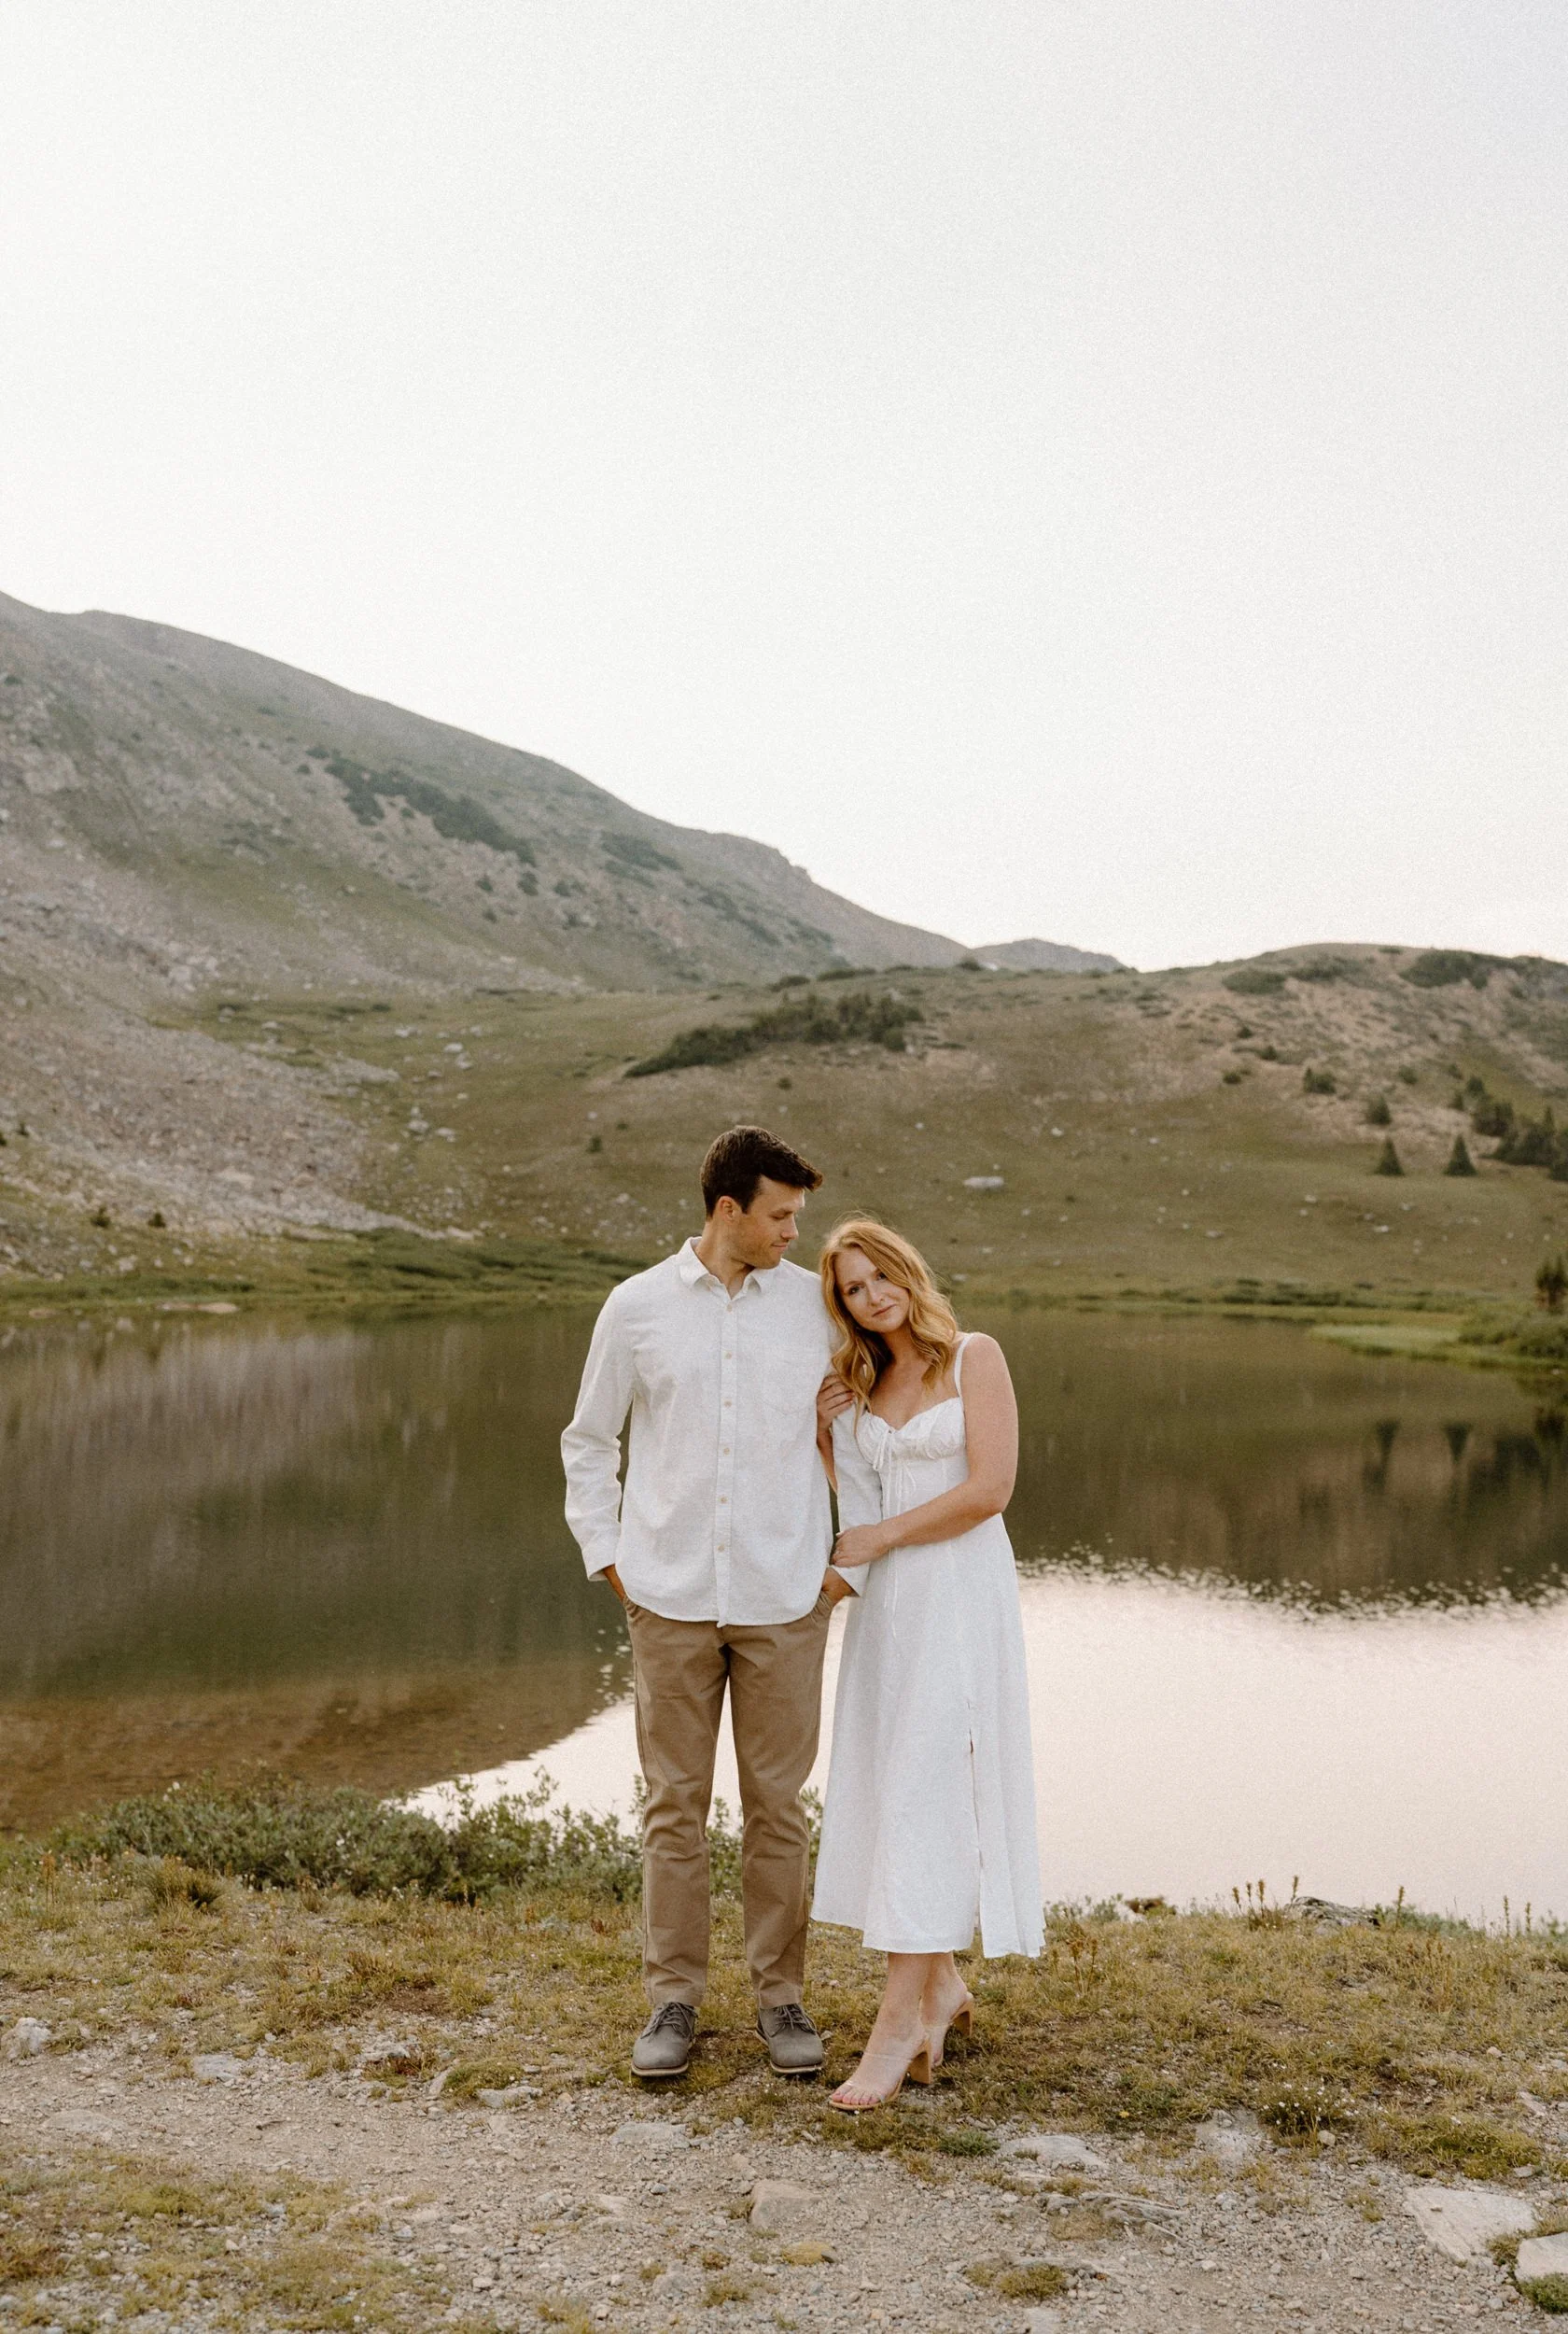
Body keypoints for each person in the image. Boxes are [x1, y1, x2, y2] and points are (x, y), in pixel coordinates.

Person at [561, 1124, 855, 2081]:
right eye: (778, 1214)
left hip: (783, 1597)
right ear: (727, 1209)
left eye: (796, 1216)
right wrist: (613, 1557)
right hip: (670, 1599)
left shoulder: (816, 1308)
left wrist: (844, 1562)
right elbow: (589, 1440)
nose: (790, 1232)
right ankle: (673, 2002)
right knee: (673, 1807)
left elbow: (862, 1436)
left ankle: (782, 1999)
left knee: (778, 1808)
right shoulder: (636, 1307)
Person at [811, 1216, 1043, 2111]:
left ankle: (899, 2019)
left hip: (958, 1600)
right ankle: (941, 1985)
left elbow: (990, 1491)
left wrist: (884, 1534)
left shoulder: (974, 1356)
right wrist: (832, 1443)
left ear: (908, 1271)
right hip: (889, 1616)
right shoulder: (864, 1382)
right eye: (853, 1291)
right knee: (897, 1782)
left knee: (927, 1789)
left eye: (880, 1278)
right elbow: (860, 1512)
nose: (872, 1298)